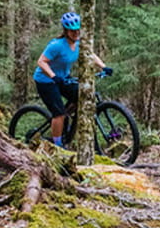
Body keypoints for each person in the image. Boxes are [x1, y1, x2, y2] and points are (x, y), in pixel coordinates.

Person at [32, 11, 107, 147]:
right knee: (59, 114)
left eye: (78, 30)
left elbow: (90, 54)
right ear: (66, 31)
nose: (76, 33)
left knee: (82, 96)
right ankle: (58, 145)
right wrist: (53, 76)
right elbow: (41, 62)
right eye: (72, 31)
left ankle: (66, 122)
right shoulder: (57, 45)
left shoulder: (79, 43)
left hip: (63, 78)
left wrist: (104, 67)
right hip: (46, 81)